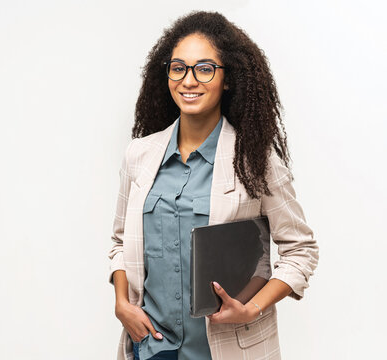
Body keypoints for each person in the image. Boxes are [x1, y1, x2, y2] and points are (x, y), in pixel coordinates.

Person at [107, 10, 319, 360]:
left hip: (226, 349)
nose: (189, 80)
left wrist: (253, 309)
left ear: (228, 79)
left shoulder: (255, 160)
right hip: (153, 349)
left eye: (204, 69)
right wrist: (121, 303)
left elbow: (301, 250)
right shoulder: (139, 156)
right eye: (178, 68)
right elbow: (119, 240)